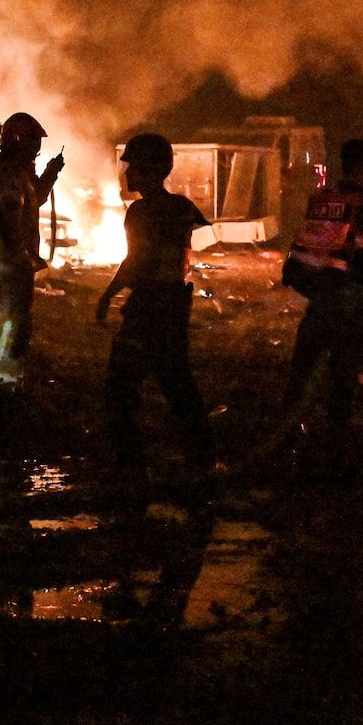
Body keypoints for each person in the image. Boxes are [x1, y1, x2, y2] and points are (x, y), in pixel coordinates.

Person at [281, 137, 363, 453]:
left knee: (301, 374)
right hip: (352, 309)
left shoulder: (321, 200)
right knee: (342, 380)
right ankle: (334, 450)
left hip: (318, 302)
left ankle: (288, 439)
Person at [96, 132, 213, 471]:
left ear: (150, 169)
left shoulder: (141, 212)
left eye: (133, 166)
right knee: (177, 383)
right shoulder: (182, 208)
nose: (127, 173)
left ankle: (130, 467)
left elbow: (135, 261)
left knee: (120, 390)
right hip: (173, 307)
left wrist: (108, 295)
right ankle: (201, 456)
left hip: (147, 310)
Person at [0, 111, 64, 396]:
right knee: (13, 325)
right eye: (33, 142)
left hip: (9, 264)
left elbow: (34, 199)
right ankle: (0, 389)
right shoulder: (12, 177)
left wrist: (51, 173)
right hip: (11, 266)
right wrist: (21, 258)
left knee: (14, 323)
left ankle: (5, 383)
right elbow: (9, 218)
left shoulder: (16, 174)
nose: (36, 149)